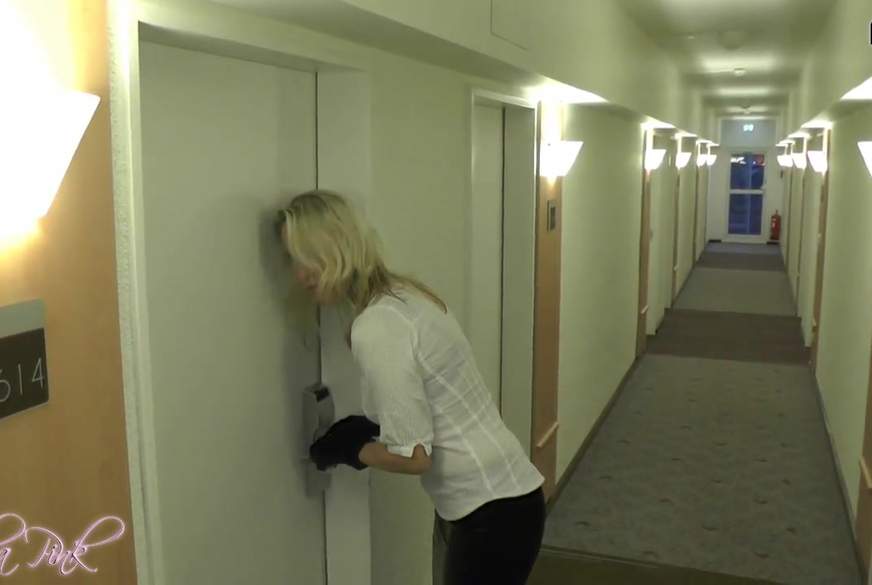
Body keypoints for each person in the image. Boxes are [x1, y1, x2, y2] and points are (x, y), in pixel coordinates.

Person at [276, 189, 546, 585]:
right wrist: (368, 429)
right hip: (498, 499)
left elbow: (415, 457)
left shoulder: (378, 324)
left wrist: (353, 449)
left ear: (336, 247)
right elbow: (433, 399)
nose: (299, 275)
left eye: (306, 257)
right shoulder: (404, 295)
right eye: (292, 259)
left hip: (491, 509)